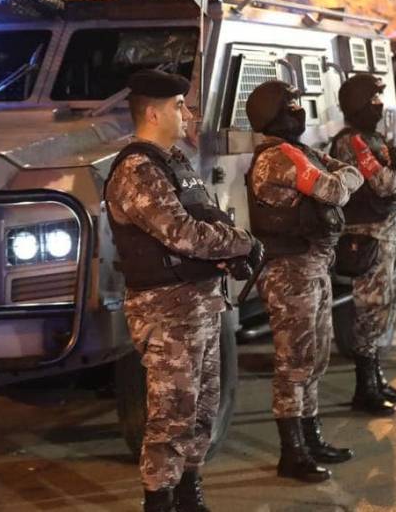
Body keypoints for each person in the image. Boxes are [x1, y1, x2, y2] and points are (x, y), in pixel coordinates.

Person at [105, 70, 262, 512]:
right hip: (166, 310)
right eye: (179, 106)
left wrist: (229, 247)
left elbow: (208, 217)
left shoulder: (174, 162)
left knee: (201, 409)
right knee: (171, 416)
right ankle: (159, 501)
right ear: (153, 114)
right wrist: (241, 243)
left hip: (199, 304)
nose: (187, 114)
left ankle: (189, 495)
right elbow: (182, 234)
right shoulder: (138, 169)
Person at [245, 80, 363, 482]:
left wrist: (343, 178)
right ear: (272, 114)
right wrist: (343, 179)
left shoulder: (299, 152)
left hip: (313, 266)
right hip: (290, 271)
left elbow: (347, 175)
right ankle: (292, 452)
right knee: (294, 363)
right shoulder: (278, 158)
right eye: (291, 105)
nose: (299, 111)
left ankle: (311, 439)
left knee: (315, 358)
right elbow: (336, 188)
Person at [329, 73, 396, 416]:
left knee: (385, 309)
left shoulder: (374, 138)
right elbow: (385, 183)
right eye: (373, 100)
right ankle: (364, 388)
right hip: (367, 237)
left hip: (387, 233)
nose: (379, 106)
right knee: (369, 311)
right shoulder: (351, 142)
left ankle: (376, 379)